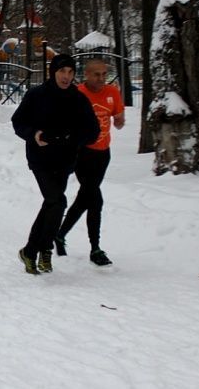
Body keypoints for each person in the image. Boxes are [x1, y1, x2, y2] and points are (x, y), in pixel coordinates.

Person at [11, 54, 100, 275]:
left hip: (65, 159)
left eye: (70, 72)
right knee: (57, 201)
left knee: (51, 204)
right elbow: (18, 121)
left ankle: (30, 251)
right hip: (40, 157)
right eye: (62, 72)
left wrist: (74, 139)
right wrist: (34, 134)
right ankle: (45, 249)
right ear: (53, 72)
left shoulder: (78, 99)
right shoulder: (36, 95)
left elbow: (93, 131)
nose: (66, 77)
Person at [55, 59, 125, 266]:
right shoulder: (78, 94)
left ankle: (59, 234)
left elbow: (118, 120)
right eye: (97, 74)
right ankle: (95, 249)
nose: (101, 78)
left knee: (86, 197)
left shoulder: (112, 92)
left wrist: (120, 120)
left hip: (103, 153)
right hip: (82, 153)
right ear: (86, 75)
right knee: (95, 199)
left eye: (104, 74)